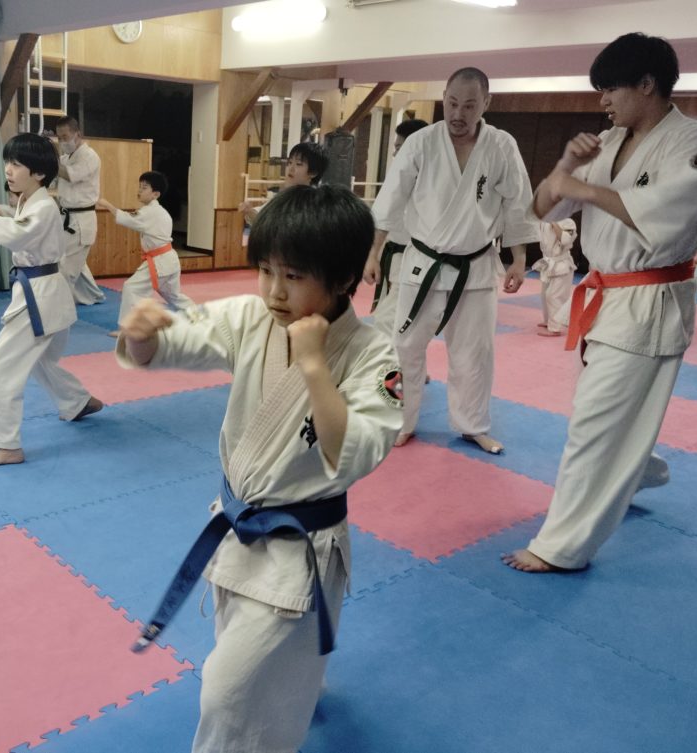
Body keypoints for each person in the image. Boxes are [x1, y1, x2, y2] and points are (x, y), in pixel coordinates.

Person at [118, 184, 403, 753]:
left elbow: (354, 452)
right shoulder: (251, 317)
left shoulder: (373, 354)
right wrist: (142, 335)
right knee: (255, 665)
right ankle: (300, 684)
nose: (274, 290)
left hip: (300, 550)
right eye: (266, 270)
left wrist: (316, 365)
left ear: (344, 278)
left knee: (227, 694)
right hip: (238, 529)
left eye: (293, 276)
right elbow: (178, 344)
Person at [502, 33, 697, 573]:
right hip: (604, 297)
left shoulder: (693, 142)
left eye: (611, 88)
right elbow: (543, 207)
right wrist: (567, 164)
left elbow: (665, 213)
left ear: (648, 84)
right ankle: (641, 469)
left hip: (649, 300)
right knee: (599, 415)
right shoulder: (608, 143)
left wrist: (584, 188)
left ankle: (561, 548)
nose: (603, 100)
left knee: (592, 427)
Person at [365, 67, 537, 454]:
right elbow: (390, 199)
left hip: (476, 266)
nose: (458, 113)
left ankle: (472, 424)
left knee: (475, 353)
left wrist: (518, 259)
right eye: (452, 103)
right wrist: (373, 254)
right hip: (422, 264)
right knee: (404, 347)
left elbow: (517, 202)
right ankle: (401, 421)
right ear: (443, 97)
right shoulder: (421, 143)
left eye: (470, 105)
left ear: (486, 103)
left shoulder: (501, 145)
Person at [0, 133, 103, 467]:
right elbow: (19, 221)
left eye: (17, 164)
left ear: (39, 173)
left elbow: (17, 234)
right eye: (8, 162)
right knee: (41, 359)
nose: (8, 169)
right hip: (45, 293)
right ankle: (78, 402)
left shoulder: (43, 206)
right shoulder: (31, 200)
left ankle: (7, 446)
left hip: (39, 297)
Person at [96, 170, 195, 336]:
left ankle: (129, 329)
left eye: (144, 188)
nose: (140, 191)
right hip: (168, 260)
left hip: (159, 262)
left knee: (131, 288)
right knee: (174, 295)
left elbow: (128, 219)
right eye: (140, 187)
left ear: (155, 194)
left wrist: (107, 205)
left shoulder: (151, 212)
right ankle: (198, 317)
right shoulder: (155, 211)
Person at [369, 118, 429, 340]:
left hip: (416, 262)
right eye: (395, 148)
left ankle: (392, 362)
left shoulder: (433, 184)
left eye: (400, 147)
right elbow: (384, 218)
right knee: (390, 321)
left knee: (388, 323)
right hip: (394, 257)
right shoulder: (398, 178)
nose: (395, 153)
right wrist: (373, 255)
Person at [54, 116, 106, 305]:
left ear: (78, 134)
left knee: (66, 269)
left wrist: (49, 161)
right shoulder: (65, 158)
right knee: (76, 263)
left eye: (65, 137)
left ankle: (60, 308)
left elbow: (69, 175)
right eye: (59, 138)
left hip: (81, 219)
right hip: (66, 216)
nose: (62, 141)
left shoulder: (90, 156)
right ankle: (93, 295)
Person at [238, 141, 328, 223]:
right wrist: (249, 211)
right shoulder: (285, 193)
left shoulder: (314, 203)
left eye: (299, 164)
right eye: (290, 162)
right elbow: (264, 217)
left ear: (313, 172)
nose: (291, 168)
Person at [533, 218, 577, 336]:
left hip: (562, 265)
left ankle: (555, 328)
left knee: (554, 296)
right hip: (549, 264)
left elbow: (565, 240)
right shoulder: (543, 221)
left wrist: (554, 222)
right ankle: (548, 321)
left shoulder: (568, 222)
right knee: (544, 295)